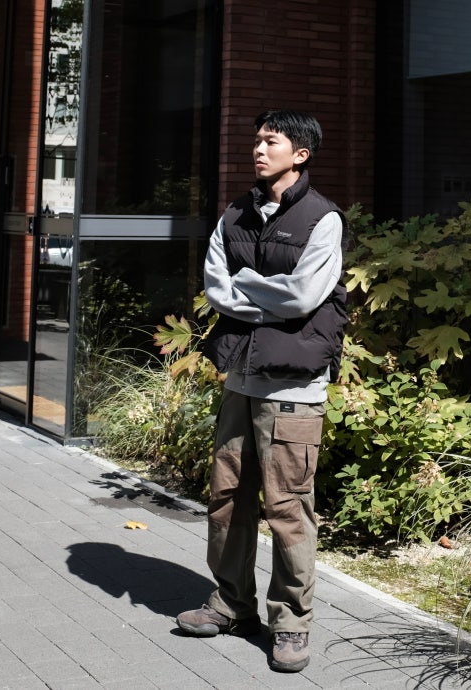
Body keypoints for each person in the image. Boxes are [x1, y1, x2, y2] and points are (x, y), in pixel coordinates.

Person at [176, 109, 348, 673]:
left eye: (270, 141)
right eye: (256, 140)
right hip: (240, 378)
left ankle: (291, 622)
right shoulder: (234, 215)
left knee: (288, 506)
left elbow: (303, 298)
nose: (258, 149)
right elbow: (215, 287)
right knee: (227, 496)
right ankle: (231, 605)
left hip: (295, 386)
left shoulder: (323, 219)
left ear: (300, 153)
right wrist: (263, 293)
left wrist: (247, 285)